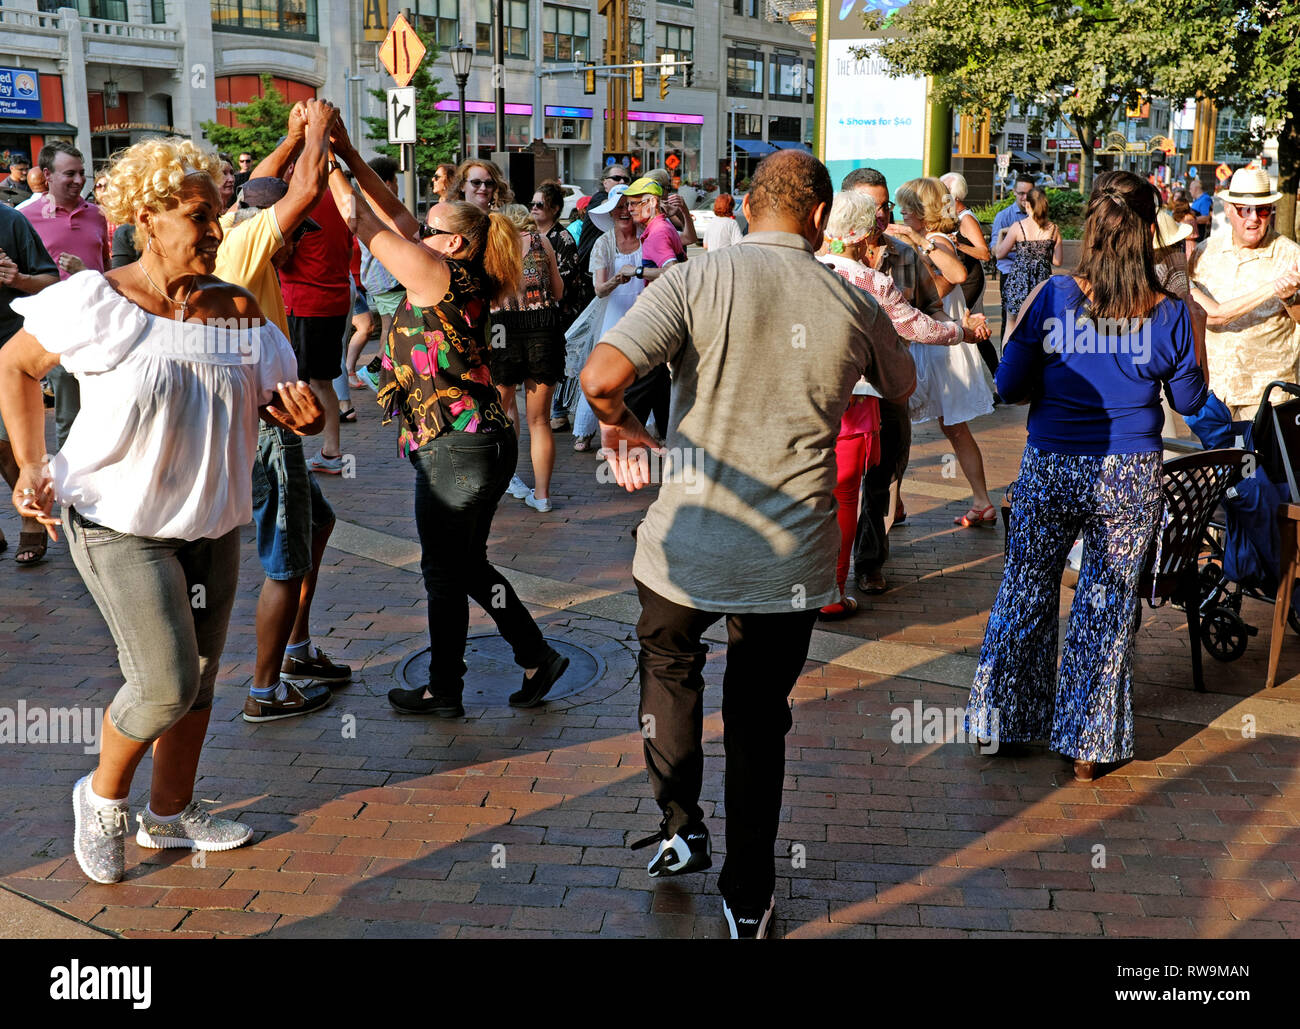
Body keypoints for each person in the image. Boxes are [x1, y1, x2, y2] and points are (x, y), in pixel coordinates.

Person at [580, 150, 915, 939]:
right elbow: (902, 384)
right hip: (789, 558)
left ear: (754, 204)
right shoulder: (850, 300)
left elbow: (601, 374)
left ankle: (679, 823)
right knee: (760, 718)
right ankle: (749, 895)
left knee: (669, 666)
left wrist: (619, 425)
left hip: (683, 543)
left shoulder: (696, 279)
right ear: (819, 218)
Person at [0, 137, 324, 884]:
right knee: (165, 681)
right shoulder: (98, 301)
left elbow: (281, 400)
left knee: (202, 680)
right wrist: (31, 462)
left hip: (211, 524)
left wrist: (300, 419)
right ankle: (102, 796)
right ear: (146, 217)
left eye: (220, 215)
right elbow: (17, 366)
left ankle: (170, 814)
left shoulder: (239, 311)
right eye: (199, 217)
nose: (216, 231)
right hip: (118, 524)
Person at [965, 170, 1208, 783]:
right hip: (1129, 470)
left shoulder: (1052, 297)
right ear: (1151, 232)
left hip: (1053, 461)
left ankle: (1001, 720)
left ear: (1090, 231)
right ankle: (1089, 743)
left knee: (1026, 586)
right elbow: (1189, 395)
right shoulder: (1171, 311)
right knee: (1106, 601)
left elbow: (1009, 386)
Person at [327, 118, 571, 718]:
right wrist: (353, 153)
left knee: (444, 570)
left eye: (429, 230)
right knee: (465, 564)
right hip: (477, 440)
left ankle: (448, 686)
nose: (416, 233)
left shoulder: (437, 275)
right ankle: (531, 656)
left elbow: (360, 220)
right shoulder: (453, 264)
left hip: (457, 448)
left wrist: (320, 154)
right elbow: (391, 214)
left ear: (452, 243)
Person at [215, 101, 352, 721]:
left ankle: (296, 650)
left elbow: (261, 190)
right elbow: (293, 196)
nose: (298, 239)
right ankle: (264, 689)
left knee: (315, 525)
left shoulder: (239, 233)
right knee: (286, 555)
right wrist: (319, 133)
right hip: (265, 422)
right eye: (294, 231)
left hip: (268, 414)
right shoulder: (243, 246)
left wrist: (293, 136)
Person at [818, 190, 991, 612]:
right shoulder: (871, 279)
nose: (885, 222)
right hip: (861, 400)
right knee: (845, 494)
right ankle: (834, 591)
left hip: (810, 398)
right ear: (859, 234)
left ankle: (820, 582)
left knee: (822, 490)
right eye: (875, 218)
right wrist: (964, 334)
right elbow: (918, 327)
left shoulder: (808, 268)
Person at [840, 166, 947, 593]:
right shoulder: (826, 261)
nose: (880, 216)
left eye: (883, 206)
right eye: (871, 207)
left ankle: (868, 562)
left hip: (889, 387)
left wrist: (944, 330)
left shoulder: (904, 253)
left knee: (883, 471)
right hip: (843, 392)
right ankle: (826, 567)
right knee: (838, 476)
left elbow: (933, 310)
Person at [894, 176, 997, 528]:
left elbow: (955, 273)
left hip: (940, 346)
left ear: (924, 211)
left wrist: (918, 240)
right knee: (950, 427)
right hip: (937, 342)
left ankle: (895, 505)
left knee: (904, 424)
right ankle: (980, 501)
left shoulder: (936, 240)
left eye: (908, 206)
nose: (903, 212)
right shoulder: (927, 239)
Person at [21, 142, 110, 465]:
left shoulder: (97, 215)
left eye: (81, 173)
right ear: (47, 175)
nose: (78, 180)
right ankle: (72, 496)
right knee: (69, 416)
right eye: (69, 173)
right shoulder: (25, 218)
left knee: (106, 410)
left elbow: (107, 268)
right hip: (55, 330)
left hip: (100, 327)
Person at [1190, 167, 1300, 421]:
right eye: (1244, 209)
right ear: (1228, 210)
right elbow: (1205, 314)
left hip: (1267, 394)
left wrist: (1291, 298)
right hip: (1215, 390)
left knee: (1265, 461)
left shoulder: (1291, 256)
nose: (1254, 218)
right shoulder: (1204, 253)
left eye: (1262, 210)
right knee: (1214, 461)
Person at [278, 168, 353, 475]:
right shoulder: (339, 197)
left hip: (306, 301)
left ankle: (288, 457)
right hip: (334, 299)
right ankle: (332, 452)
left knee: (292, 382)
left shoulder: (297, 201)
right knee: (323, 381)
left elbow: (282, 254)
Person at [493, 202, 564, 512]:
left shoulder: (493, 248)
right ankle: (543, 495)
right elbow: (558, 291)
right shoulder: (541, 242)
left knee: (498, 414)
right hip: (542, 331)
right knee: (540, 421)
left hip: (502, 332)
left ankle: (496, 482)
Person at [0, 203, 59, 563]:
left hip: (10, 347)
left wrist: (17, 279)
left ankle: (33, 522)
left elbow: (49, 280)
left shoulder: (11, 221)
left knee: (8, 446)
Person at [572, 184, 641, 451]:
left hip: (643, 313)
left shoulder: (648, 235)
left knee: (641, 375)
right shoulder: (604, 242)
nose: (624, 211)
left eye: (628, 206)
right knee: (603, 375)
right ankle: (585, 431)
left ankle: (637, 429)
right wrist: (617, 278)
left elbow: (685, 242)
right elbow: (599, 290)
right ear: (611, 213)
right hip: (614, 313)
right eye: (619, 207)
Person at [621, 176, 686, 436]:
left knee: (634, 388)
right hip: (668, 317)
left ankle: (624, 445)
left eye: (636, 203)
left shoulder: (657, 233)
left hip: (659, 320)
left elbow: (673, 271)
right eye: (628, 204)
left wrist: (636, 270)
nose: (630, 209)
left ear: (653, 202)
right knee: (660, 387)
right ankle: (674, 442)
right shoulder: (662, 227)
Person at [532, 180, 590, 432]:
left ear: (554, 209)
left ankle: (559, 411)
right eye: (531, 204)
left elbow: (566, 279)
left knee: (560, 361)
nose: (533, 208)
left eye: (539, 204)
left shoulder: (562, 238)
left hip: (559, 311)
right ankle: (551, 410)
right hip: (535, 311)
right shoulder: (529, 235)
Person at [940, 171, 998, 376]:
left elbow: (985, 253)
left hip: (971, 281)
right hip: (961, 279)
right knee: (974, 328)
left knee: (966, 324)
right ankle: (998, 377)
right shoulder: (951, 217)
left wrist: (959, 246)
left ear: (954, 196)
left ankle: (991, 378)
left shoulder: (966, 219)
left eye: (943, 191)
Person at [356, 157, 405, 394]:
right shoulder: (382, 209)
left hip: (378, 280)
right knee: (396, 332)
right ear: (387, 182)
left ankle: (379, 374)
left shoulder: (366, 205)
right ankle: (376, 372)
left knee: (388, 330)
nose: (397, 185)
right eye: (395, 180)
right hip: (388, 279)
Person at [995, 186, 1062, 325]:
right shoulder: (1053, 229)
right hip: (1042, 281)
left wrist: (1001, 233)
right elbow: (1057, 261)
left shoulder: (1017, 227)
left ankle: (1009, 347)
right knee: (1039, 323)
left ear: (1029, 204)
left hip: (1019, 281)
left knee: (1012, 324)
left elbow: (999, 254)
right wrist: (1041, 252)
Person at [991, 174, 1034, 342]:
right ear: (1014, 192)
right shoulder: (1004, 216)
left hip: (1034, 273)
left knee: (1033, 320)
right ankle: (1007, 361)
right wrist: (1010, 242)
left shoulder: (1039, 217)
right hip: (1010, 272)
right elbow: (995, 251)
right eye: (1021, 193)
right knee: (1009, 320)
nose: (1025, 198)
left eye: (1028, 194)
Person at [1167, 188, 1199, 261]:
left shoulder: (1189, 218)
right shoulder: (1177, 216)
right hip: (1180, 245)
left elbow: (1192, 234)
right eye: (1175, 196)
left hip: (1188, 245)